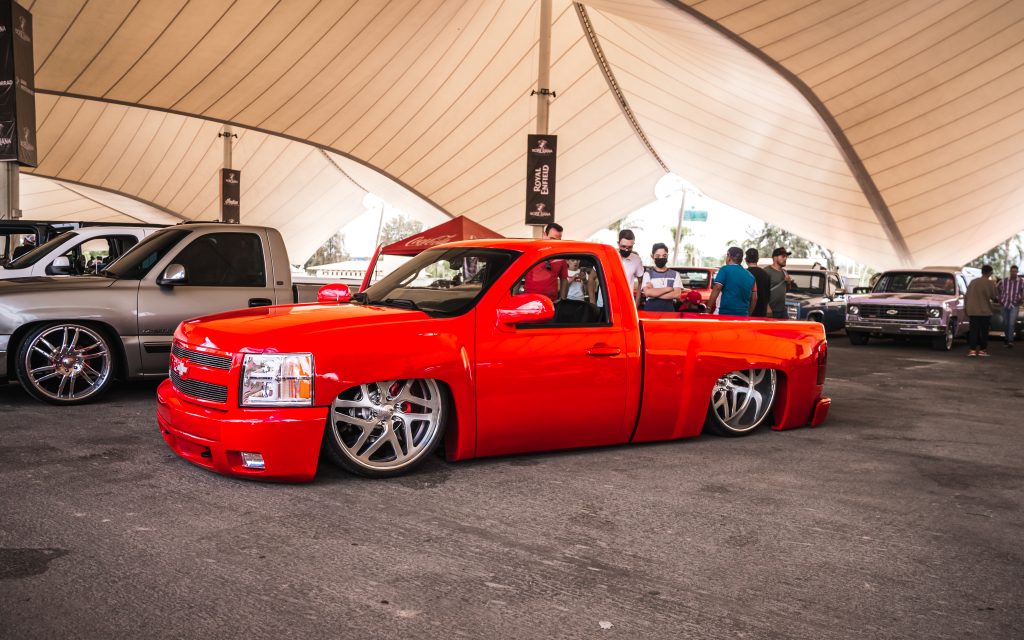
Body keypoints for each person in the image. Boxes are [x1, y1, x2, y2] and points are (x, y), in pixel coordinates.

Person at [523, 223, 567, 301]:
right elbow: (518, 275)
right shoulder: (531, 251)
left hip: (551, 302)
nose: (555, 243)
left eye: (558, 240)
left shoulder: (561, 256)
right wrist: (514, 295)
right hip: (529, 301)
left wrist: (562, 299)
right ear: (544, 235)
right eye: (552, 239)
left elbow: (564, 279)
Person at [708, 246, 756, 317]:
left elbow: (717, 287)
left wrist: (708, 308)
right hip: (743, 315)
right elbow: (754, 298)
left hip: (723, 314)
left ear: (729, 255)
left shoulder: (724, 270)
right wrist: (748, 314)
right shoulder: (751, 276)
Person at [965, 264, 999, 357]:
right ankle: (982, 350)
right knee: (984, 332)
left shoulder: (973, 282)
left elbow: (966, 296)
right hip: (985, 311)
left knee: (973, 331)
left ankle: (972, 350)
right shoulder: (990, 283)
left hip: (973, 311)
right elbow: (994, 297)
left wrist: (966, 308)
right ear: (989, 273)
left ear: (982, 271)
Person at [641, 243, 682, 312]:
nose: (661, 258)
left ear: (667, 256)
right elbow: (647, 293)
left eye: (664, 255)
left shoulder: (675, 274)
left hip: (668, 312)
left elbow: (677, 294)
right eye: (658, 256)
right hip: (650, 311)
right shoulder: (647, 274)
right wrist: (668, 289)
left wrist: (654, 292)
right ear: (652, 256)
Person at [616, 229, 645, 306]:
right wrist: (593, 302)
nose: (626, 249)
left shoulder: (636, 259)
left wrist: (636, 302)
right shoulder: (608, 256)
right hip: (605, 303)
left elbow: (641, 281)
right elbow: (591, 278)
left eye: (629, 247)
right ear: (618, 244)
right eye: (623, 246)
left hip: (626, 303)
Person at [997, 264, 1022, 347]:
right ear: (1010, 272)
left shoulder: (1021, 281)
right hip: (1004, 304)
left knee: (1011, 323)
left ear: (1017, 272)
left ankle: (1010, 340)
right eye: (1012, 271)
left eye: (1015, 271)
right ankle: (1006, 338)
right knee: (1005, 323)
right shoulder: (1004, 281)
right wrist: (999, 299)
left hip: (1015, 304)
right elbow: (996, 288)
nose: (1014, 273)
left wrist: (1021, 299)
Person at [766, 247, 794, 319]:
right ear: (775, 258)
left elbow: (787, 290)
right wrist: (767, 307)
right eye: (783, 256)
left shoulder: (785, 272)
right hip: (771, 311)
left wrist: (788, 283)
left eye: (786, 256)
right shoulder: (766, 271)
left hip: (783, 310)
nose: (785, 258)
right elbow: (762, 292)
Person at [745, 248, 770, 317]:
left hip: (747, 312)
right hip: (761, 312)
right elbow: (768, 295)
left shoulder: (744, 274)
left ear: (746, 260)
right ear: (757, 259)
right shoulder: (765, 274)